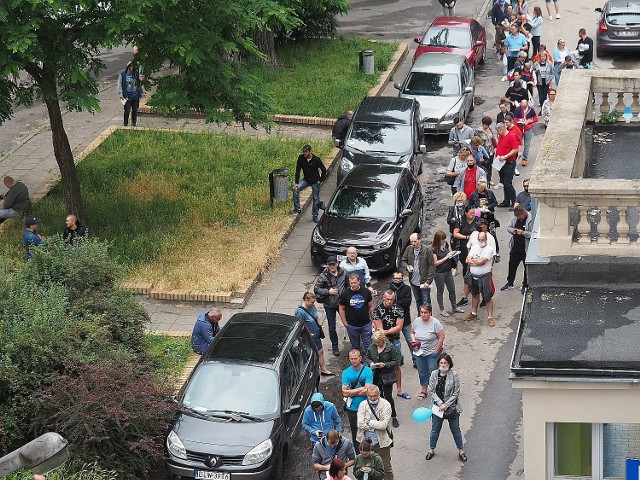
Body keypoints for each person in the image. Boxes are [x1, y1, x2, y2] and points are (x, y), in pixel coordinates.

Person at [425, 353, 467, 462]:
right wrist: (440, 403)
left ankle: (461, 450)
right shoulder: (434, 374)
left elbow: (456, 392)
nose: (443, 365)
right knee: (435, 429)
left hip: (452, 408)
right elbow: (431, 390)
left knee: (455, 429)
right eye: (441, 363)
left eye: (445, 363)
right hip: (437, 408)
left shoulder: (454, 375)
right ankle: (431, 449)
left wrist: (446, 405)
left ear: (449, 364)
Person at [372, 290, 410, 400]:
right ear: (383, 298)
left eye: (391, 299)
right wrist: (388, 332)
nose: (389, 301)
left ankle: (399, 389)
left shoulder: (399, 309)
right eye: (387, 299)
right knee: (379, 366)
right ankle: (379, 391)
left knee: (396, 365)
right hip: (381, 342)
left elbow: (399, 327)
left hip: (395, 341)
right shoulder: (377, 310)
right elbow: (379, 328)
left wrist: (387, 332)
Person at [356, 385, 394, 480]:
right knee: (367, 468)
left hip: (381, 443)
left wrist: (368, 422)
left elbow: (383, 425)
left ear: (379, 394)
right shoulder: (362, 405)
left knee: (386, 468)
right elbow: (360, 424)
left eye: (375, 395)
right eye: (370, 396)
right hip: (366, 443)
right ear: (367, 395)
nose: (373, 398)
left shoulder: (386, 405)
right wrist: (376, 425)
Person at [365, 330, 401, 428]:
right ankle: (380, 415)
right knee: (377, 396)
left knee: (388, 396)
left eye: (378, 343)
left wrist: (385, 365)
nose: (376, 344)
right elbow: (367, 357)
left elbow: (396, 361)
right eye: (375, 343)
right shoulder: (372, 347)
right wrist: (371, 363)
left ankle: (393, 416)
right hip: (376, 374)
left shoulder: (390, 348)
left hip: (387, 374)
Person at [314, 255, 347, 356]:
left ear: (337, 263)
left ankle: (354, 344)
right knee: (332, 327)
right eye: (330, 265)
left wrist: (346, 294)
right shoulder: (323, 275)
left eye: (334, 264)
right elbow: (316, 288)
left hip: (342, 303)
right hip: (329, 304)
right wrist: (328, 291)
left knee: (348, 323)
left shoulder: (344, 272)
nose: (332, 266)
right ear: (328, 265)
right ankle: (335, 346)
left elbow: (348, 284)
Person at [410, 304, 445, 400]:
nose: (423, 315)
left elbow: (441, 337)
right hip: (419, 352)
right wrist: (414, 341)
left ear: (430, 313)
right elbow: (412, 332)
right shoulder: (417, 321)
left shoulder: (435, 323)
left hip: (432, 352)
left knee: (433, 372)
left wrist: (436, 351)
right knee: (422, 372)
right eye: (421, 312)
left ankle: (437, 391)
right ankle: (424, 390)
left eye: (425, 313)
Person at [295, 292, 334, 376]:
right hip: (308, 338)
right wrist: (307, 334)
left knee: (320, 352)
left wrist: (319, 326)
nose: (313, 304)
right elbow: (299, 326)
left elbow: (316, 317)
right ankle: (310, 372)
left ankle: (323, 370)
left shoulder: (312, 307)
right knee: (309, 355)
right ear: (306, 300)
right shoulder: (300, 312)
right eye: (312, 302)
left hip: (316, 335)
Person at [342, 349, 373, 451]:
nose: (354, 360)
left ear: (360, 358)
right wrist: (361, 388)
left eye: (355, 358)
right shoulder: (346, 373)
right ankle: (358, 453)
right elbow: (344, 392)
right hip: (352, 408)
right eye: (351, 359)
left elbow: (368, 390)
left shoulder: (368, 371)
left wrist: (352, 391)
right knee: (355, 432)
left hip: (366, 406)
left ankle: (369, 451)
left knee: (368, 430)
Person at [465, 231, 496, 326]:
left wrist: (474, 261)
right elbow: (467, 260)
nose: (480, 241)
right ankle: (473, 313)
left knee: (487, 297)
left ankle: (490, 317)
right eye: (479, 239)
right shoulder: (474, 247)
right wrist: (476, 261)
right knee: (474, 294)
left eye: (482, 239)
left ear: (486, 240)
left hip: (485, 277)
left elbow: (482, 262)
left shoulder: (489, 249)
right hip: (473, 276)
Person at [339, 274, 375, 356]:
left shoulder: (366, 291)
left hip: (366, 324)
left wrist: (374, 320)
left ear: (359, 281)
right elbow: (341, 309)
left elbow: (371, 306)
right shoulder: (345, 293)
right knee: (355, 346)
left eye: (355, 282)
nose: (353, 284)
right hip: (352, 325)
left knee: (368, 345)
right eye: (351, 283)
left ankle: (369, 363)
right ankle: (359, 364)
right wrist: (345, 323)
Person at [431, 230, 464, 318]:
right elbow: (435, 263)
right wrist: (446, 257)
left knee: (452, 290)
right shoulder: (434, 250)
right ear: (438, 240)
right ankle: (442, 309)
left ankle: (454, 307)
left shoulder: (445, 245)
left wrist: (453, 253)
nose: (443, 241)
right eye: (442, 240)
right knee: (440, 291)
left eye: (444, 239)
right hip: (439, 273)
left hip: (448, 271)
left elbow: (450, 252)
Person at [401, 232, 435, 314]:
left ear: (420, 240)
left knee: (426, 301)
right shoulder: (409, 249)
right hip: (413, 281)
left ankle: (428, 319)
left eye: (415, 241)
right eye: (411, 241)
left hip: (424, 282)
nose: (413, 243)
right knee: (418, 300)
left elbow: (432, 266)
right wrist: (407, 266)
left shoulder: (427, 250)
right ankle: (420, 318)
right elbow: (403, 260)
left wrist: (428, 281)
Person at [502, 205, 533, 294]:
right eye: (517, 217)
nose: (518, 219)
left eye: (520, 217)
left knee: (526, 267)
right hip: (516, 246)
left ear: (524, 213)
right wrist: (514, 230)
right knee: (512, 264)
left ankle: (525, 284)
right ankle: (510, 282)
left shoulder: (530, 220)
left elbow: (533, 234)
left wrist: (523, 233)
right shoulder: (515, 218)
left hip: (526, 247)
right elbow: (509, 227)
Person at [388, 270, 416, 370]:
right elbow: (387, 302)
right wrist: (397, 303)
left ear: (402, 278)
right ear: (393, 279)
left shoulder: (407, 288)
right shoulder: (389, 289)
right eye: (396, 278)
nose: (398, 280)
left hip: (406, 320)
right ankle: (399, 359)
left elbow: (407, 302)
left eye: (400, 278)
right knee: (396, 344)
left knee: (411, 341)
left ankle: (416, 360)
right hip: (392, 322)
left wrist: (394, 303)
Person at [292, 144, 326, 223]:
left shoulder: (316, 159)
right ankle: (297, 208)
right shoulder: (301, 158)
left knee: (316, 198)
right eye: (303, 152)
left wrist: (320, 180)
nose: (304, 153)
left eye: (306, 152)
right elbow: (298, 170)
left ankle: (315, 215)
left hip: (315, 181)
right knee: (296, 189)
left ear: (310, 152)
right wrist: (296, 182)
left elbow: (323, 170)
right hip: (306, 180)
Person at [495, 122, 520, 208]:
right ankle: (506, 201)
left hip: (509, 163)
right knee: (504, 183)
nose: (497, 133)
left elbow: (515, 149)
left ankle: (514, 202)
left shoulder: (511, 137)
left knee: (508, 184)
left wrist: (505, 156)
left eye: (498, 131)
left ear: (502, 129)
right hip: (501, 164)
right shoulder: (500, 136)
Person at [452, 205, 478, 284]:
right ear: (466, 213)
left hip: (475, 247)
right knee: (466, 265)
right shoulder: (461, 221)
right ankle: (466, 283)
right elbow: (455, 234)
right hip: (463, 247)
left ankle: (474, 283)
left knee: (474, 265)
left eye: (474, 213)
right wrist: (467, 237)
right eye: (471, 213)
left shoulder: (478, 221)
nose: (473, 214)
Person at [116, 60, 145, 127]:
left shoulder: (136, 74)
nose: (133, 68)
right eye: (132, 66)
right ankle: (125, 123)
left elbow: (139, 83)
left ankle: (134, 123)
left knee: (135, 109)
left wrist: (143, 91)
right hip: (127, 96)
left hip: (135, 95)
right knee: (127, 110)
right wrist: (120, 93)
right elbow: (119, 84)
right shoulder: (123, 75)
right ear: (128, 67)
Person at [513, 99, 538, 167]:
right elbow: (515, 119)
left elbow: (535, 118)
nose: (523, 107)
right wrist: (520, 122)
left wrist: (528, 121)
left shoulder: (531, 110)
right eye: (522, 106)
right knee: (518, 144)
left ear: (527, 104)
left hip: (528, 129)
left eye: (524, 106)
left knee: (527, 145)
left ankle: (525, 159)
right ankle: (515, 158)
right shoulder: (517, 109)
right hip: (519, 129)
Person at [474, 118, 497, 184]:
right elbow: (475, 141)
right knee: (483, 166)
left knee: (490, 165)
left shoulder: (489, 129)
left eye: (488, 125)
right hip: (483, 152)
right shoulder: (478, 131)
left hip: (491, 150)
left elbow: (492, 138)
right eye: (485, 125)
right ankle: (483, 179)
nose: (486, 126)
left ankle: (489, 180)